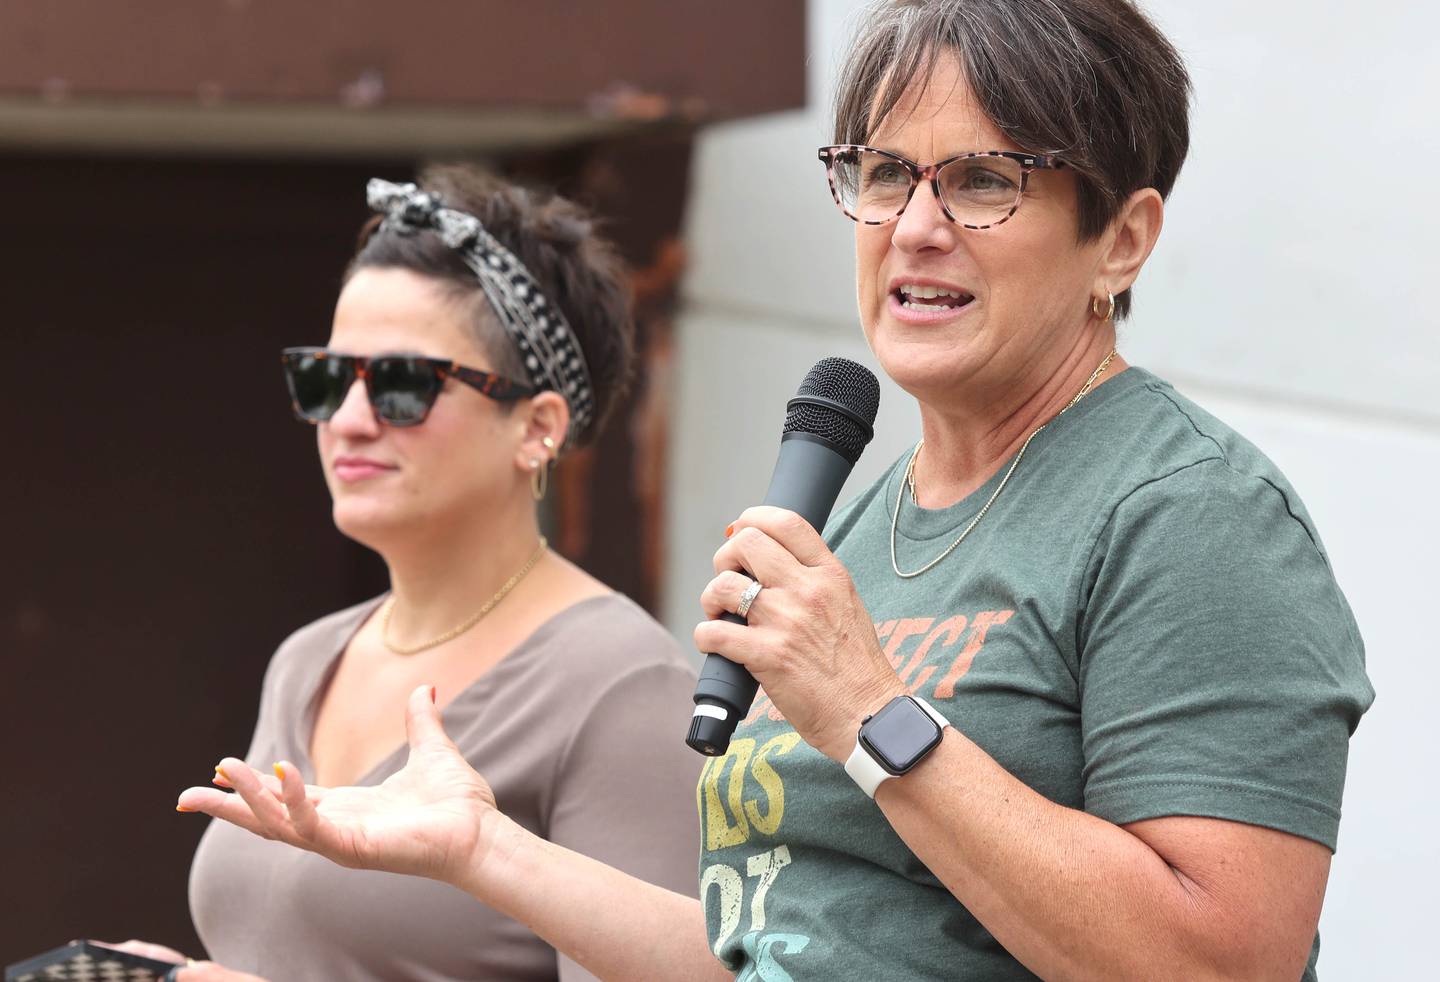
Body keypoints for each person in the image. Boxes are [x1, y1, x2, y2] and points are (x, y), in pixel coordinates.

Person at [176, 3, 1374, 980]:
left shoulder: (1188, 514)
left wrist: (872, 711)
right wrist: (484, 851)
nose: (913, 227)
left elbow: (1223, 967)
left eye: (982, 181)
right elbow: (760, 955)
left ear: (1121, 237)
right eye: (885, 172)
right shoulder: (856, 517)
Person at [127, 165, 702, 981]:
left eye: (402, 386)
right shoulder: (309, 659)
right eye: (327, 378)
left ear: (536, 427)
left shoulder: (624, 686)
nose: (350, 422)